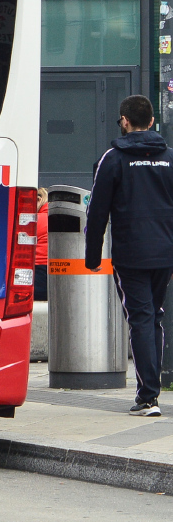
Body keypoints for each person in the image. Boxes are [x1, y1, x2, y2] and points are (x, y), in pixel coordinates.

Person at [85, 94, 173, 417]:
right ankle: (151, 390)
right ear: (150, 121)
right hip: (164, 255)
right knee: (154, 315)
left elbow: (96, 214)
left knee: (140, 318)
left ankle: (148, 397)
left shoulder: (113, 159)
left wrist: (92, 257)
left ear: (124, 121)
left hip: (131, 255)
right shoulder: (170, 159)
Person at [35, 187, 49, 302]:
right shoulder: (56, 217)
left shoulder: (36, 219)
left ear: (39, 200)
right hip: (59, 270)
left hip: (39, 272)